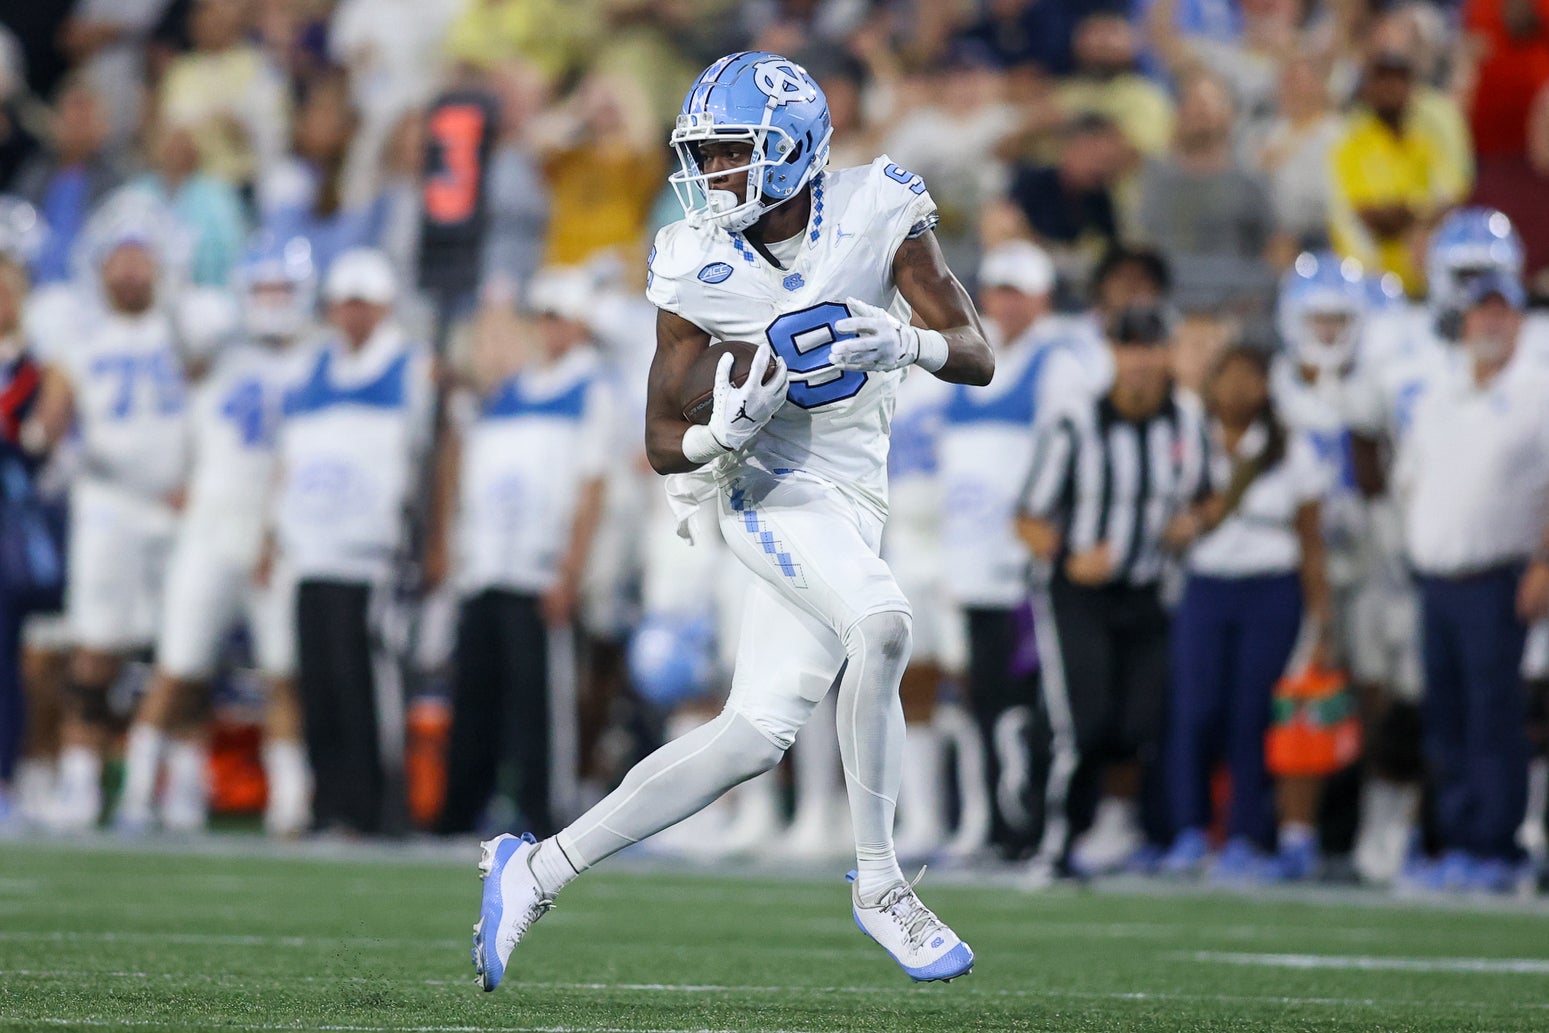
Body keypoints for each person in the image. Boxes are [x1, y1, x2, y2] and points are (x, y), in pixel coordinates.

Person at [471, 51, 994, 988]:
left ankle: (537, 867)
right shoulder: (691, 256)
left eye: (728, 154)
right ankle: (881, 885)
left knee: (754, 731)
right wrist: (722, 433)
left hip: (856, 495)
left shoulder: (877, 207)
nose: (710, 177)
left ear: (792, 149)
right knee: (881, 622)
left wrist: (905, 339)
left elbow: (977, 353)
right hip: (767, 489)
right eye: (704, 156)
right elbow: (660, 438)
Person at [115, 238, 314, 837]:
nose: (273, 302)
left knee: (283, 671)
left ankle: (288, 801)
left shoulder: (317, 360)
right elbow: (176, 336)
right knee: (177, 666)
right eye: (264, 290)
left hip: (277, 535)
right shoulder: (218, 352)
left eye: (283, 289)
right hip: (211, 524)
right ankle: (136, 794)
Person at [1017, 304, 1211, 877]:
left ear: (1165, 353)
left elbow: (1208, 495)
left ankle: (1109, 824)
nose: (1139, 360)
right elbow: (1027, 518)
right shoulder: (1076, 421)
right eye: (1129, 347)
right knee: (1086, 721)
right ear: (1113, 353)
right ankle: (1055, 842)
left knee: (1138, 725)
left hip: (1147, 590)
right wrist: (1069, 557)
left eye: (1149, 346)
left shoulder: (1188, 420)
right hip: (1078, 593)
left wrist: (1194, 525)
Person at [26, 217, 190, 832]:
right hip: (108, 502)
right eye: (118, 259)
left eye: (139, 258)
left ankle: (178, 782)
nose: (129, 270)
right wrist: (49, 428)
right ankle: (79, 779)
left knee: (180, 651)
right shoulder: (81, 336)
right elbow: (49, 420)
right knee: (93, 646)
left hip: (176, 505)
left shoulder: (182, 330)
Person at [434, 269, 611, 838]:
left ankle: (545, 813)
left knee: (540, 703)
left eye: (560, 318)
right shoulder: (509, 390)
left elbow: (592, 487)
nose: (550, 329)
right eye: (545, 317)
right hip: (487, 565)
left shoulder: (593, 389)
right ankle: (463, 810)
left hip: (539, 568)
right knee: (477, 696)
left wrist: (569, 570)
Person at [269, 247, 435, 836]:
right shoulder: (309, 371)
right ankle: (329, 802)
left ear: (385, 307)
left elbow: (432, 458)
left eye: (364, 304)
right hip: (312, 551)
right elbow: (286, 462)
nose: (354, 316)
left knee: (366, 683)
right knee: (318, 683)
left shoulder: (410, 366)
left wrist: (430, 540)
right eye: (345, 304)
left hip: (372, 556)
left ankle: (376, 807)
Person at [1395, 269, 1549, 894]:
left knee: (1493, 716)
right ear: (1462, 321)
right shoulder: (1438, 393)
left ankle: (1496, 844)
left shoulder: (1539, 392)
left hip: (1497, 576)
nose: (1489, 322)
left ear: (1518, 320)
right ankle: (1454, 839)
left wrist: (1544, 563)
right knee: (1447, 717)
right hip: (1436, 578)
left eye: (1501, 312)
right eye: (1480, 312)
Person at [1159, 345, 1332, 882]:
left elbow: (1311, 541)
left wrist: (1321, 618)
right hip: (1208, 585)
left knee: (1252, 713)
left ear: (1265, 387)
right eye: (1226, 376)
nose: (1236, 390)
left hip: (1270, 589)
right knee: (1195, 709)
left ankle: (1244, 834)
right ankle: (1188, 830)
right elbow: (1161, 515)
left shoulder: (1288, 450)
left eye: (1248, 378)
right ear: (1210, 385)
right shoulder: (1187, 441)